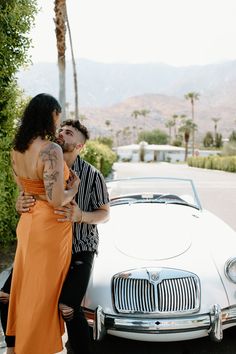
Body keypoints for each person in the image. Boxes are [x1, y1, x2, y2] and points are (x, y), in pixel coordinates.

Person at [0, 119, 110, 354]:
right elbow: (27, 195)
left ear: (80, 146)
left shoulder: (93, 175)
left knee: (67, 307)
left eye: (69, 133)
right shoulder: (44, 160)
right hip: (43, 248)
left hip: (80, 246)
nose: (61, 134)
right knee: (4, 295)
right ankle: (14, 347)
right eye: (60, 130)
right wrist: (19, 204)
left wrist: (80, 215)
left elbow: (105, 214)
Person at [5, 94, 79, 354]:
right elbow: (57, 199)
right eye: (57, 117)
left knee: (27, 287)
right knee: (43, 293)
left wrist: (29, 198)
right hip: (50, 227)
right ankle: (35, 347)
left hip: (28, 223)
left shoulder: (17, 148)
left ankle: (20, 345)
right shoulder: (50, 150)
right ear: (50, 115)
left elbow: (24, 189)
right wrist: (74, 189)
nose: (58, 123)